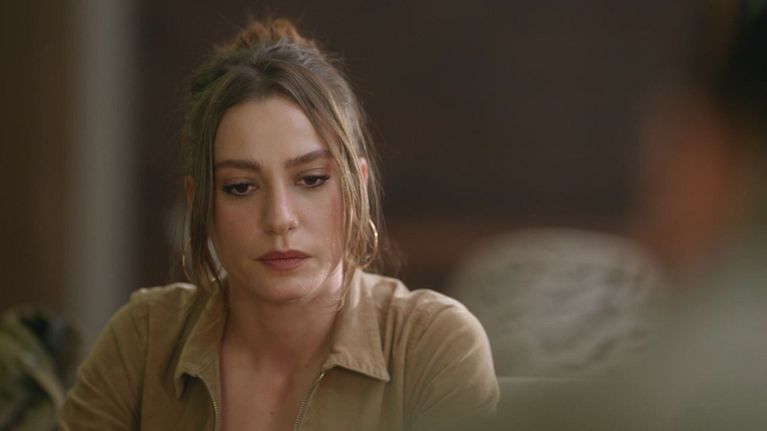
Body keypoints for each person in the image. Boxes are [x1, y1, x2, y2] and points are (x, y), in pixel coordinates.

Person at [58, 18, 498, 431]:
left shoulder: (429, 345)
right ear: (200, 204)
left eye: (311, 179)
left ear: (357, 186)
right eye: (240, 187)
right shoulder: (145, 337)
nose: (279, 219)